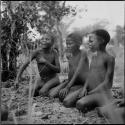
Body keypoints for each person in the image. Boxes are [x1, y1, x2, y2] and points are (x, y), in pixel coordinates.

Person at [76, 29, 115, 113]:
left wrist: (90, 93)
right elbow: (90, 75)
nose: (88, 43)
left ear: (101, 41)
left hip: (103, 92)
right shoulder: (94, 57)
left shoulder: (109, 59)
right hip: (91, 90)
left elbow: (107, 82)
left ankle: (105, 103)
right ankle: (94, 102)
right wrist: (84, 88)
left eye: (91, 41)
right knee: (67, 102)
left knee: (80, 104)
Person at [49, 32, 89, 107]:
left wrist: (67, 87)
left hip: (82, 83)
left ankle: (83, 92)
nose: (68, 46)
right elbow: (71, 71)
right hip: (72, 82)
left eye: (70, 44)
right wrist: (66, 83)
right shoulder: (70, 55)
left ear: (79, 43)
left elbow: (78, 71)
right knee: (51, 94)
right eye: (67, 44)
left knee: (66, 102)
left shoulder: (83, 53)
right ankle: (72, 91)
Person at [15, 32, 60, 97]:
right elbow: (24, 65)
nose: (44, 40)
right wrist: (17, 79)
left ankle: (53, 88)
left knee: (42, 92)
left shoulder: (54, 52)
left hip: (53, 78)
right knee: (29, 91)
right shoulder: (37, 52)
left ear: (52, 42)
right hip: (42, 79)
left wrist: (45, 62)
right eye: (42, 39)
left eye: (47, 39)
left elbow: (58, 70)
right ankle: (45, 88)